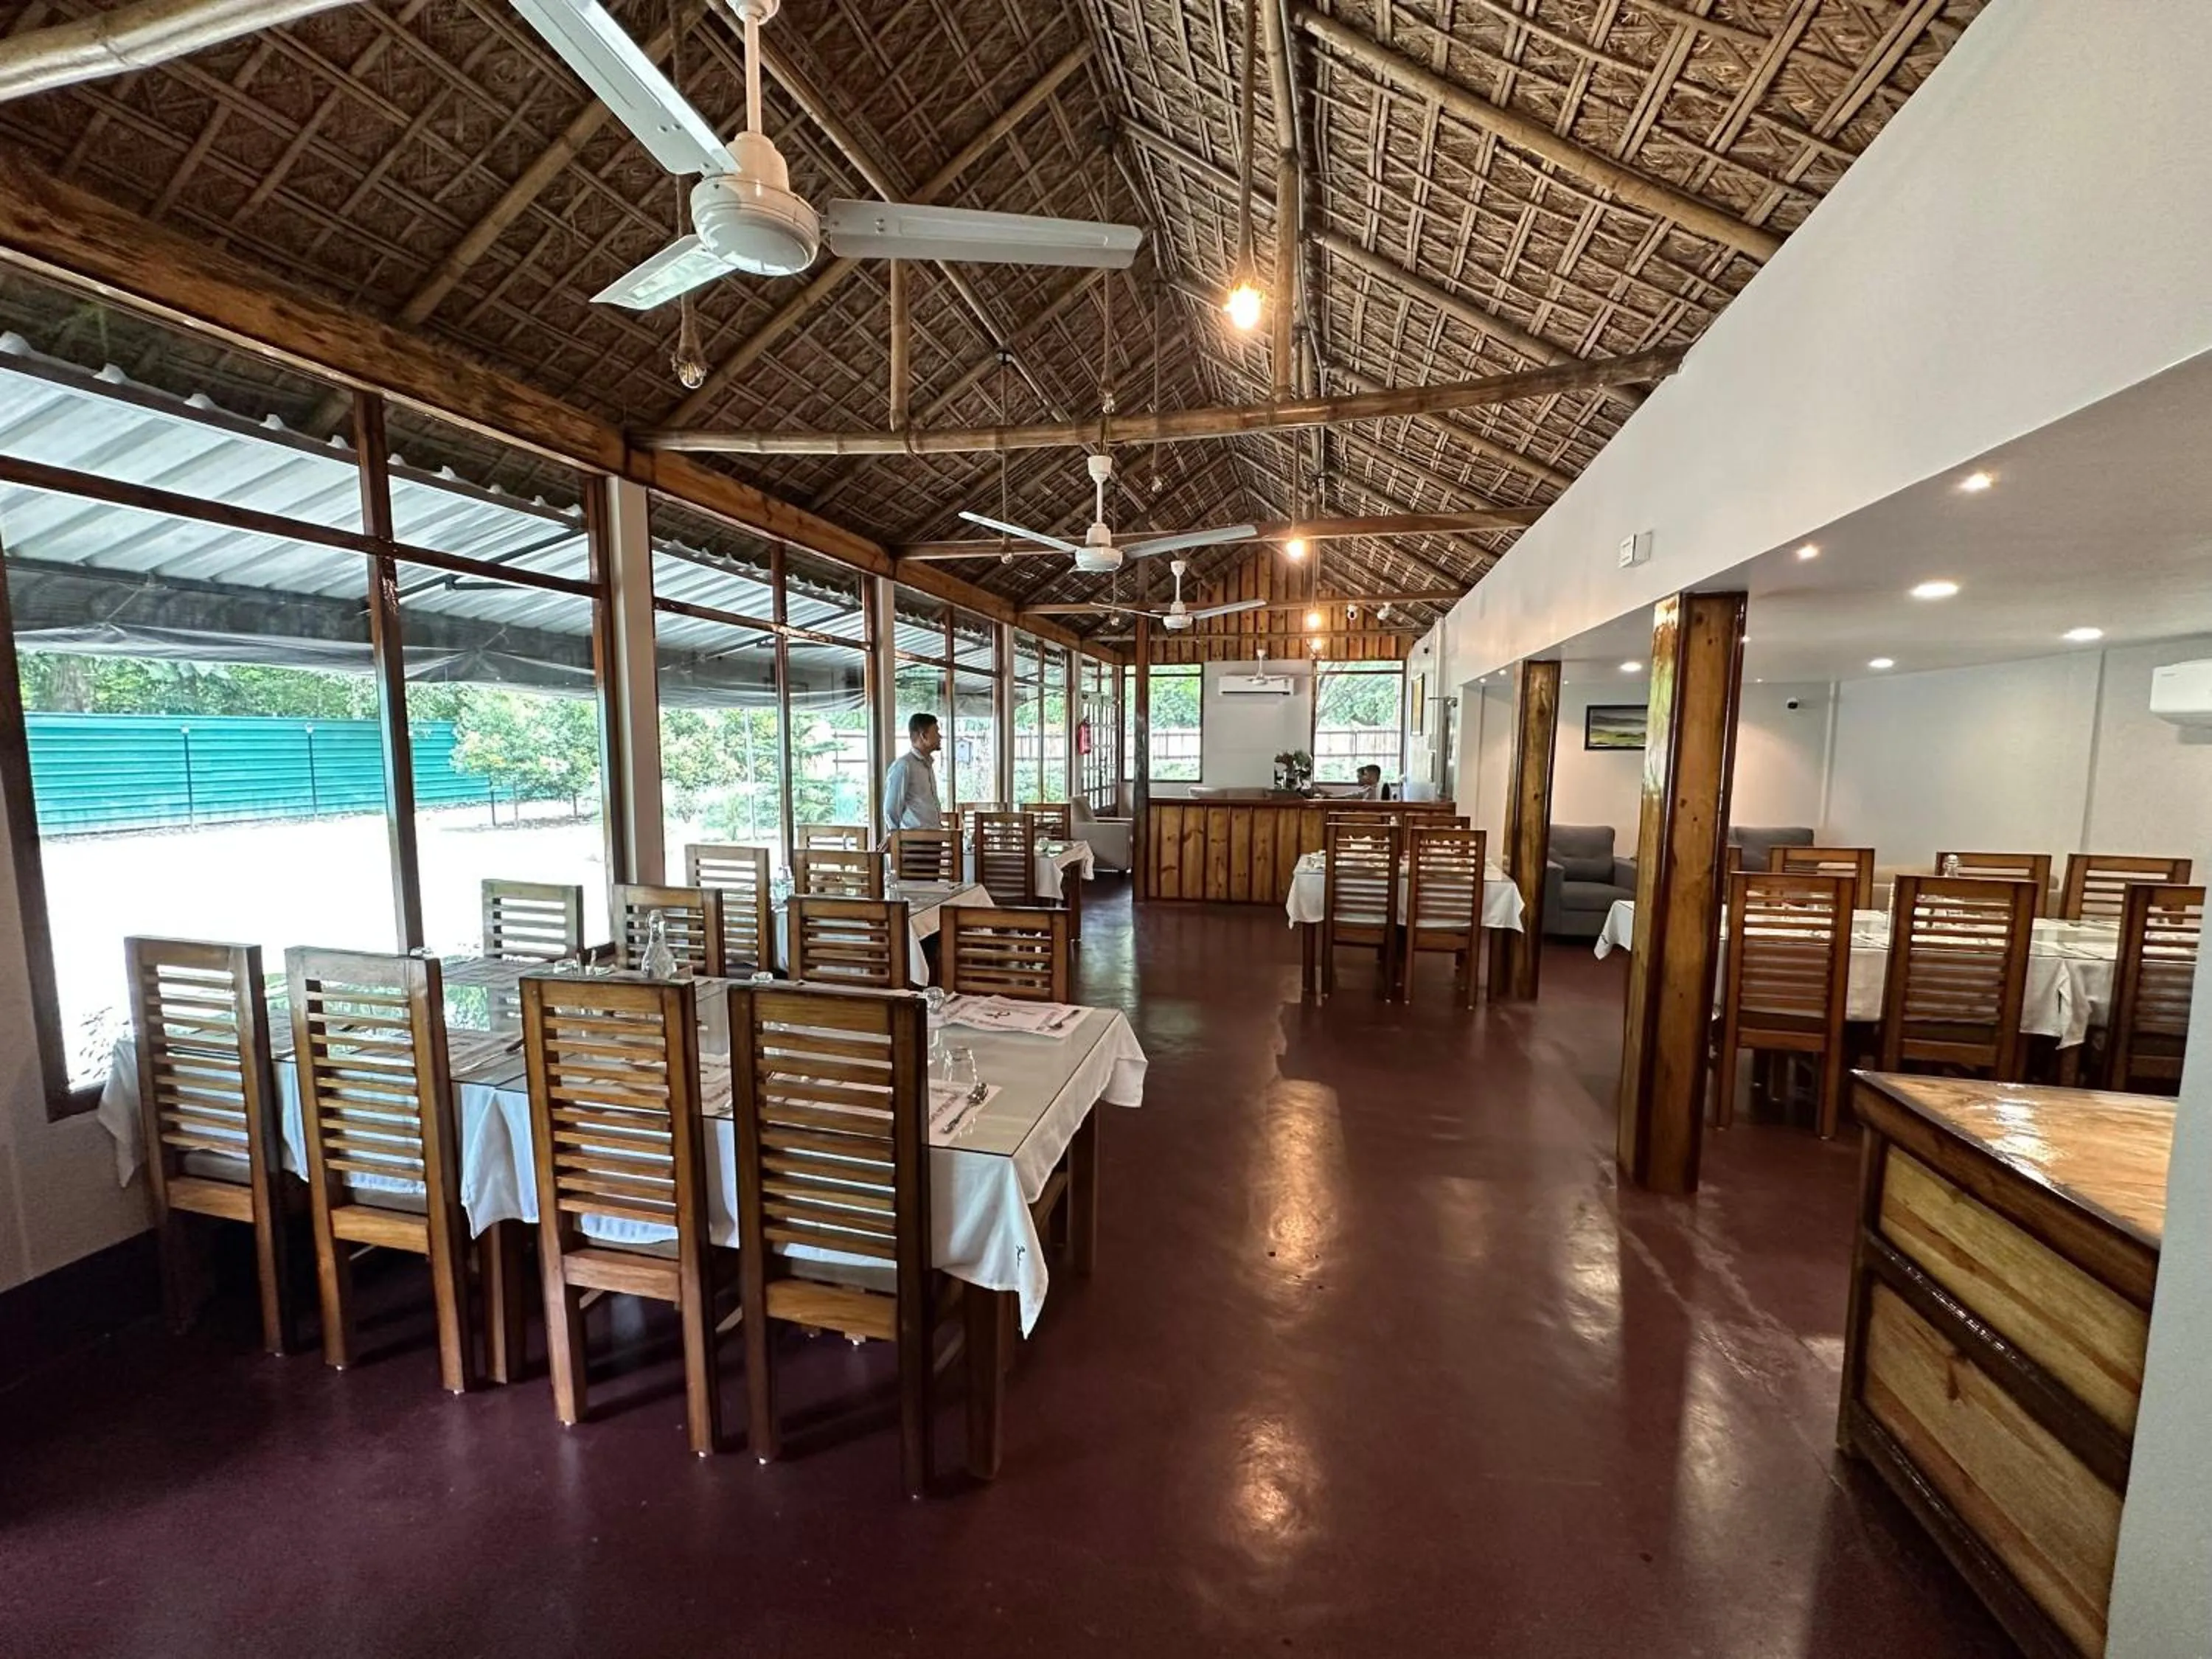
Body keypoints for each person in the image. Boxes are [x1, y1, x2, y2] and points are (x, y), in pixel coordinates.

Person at [883, 711, 943, 832]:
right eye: (936, 732)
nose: (940, 737)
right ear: (923, 736)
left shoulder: (927, 764)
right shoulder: (904, 765)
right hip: (913, 841)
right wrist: (895, 837)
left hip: (934, 839)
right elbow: (891, 809)